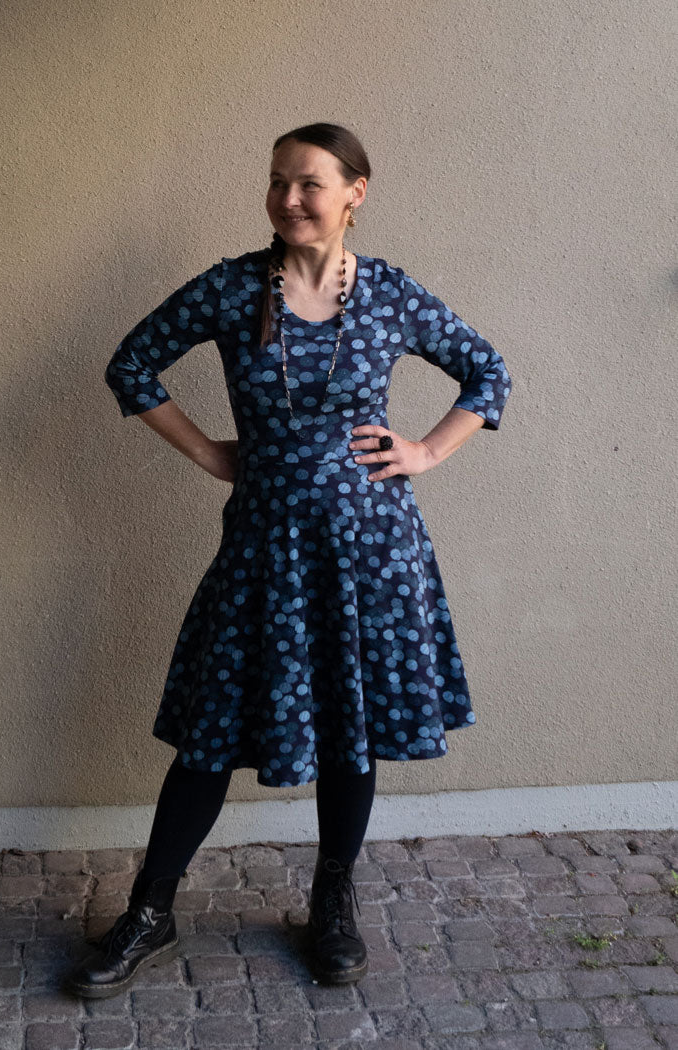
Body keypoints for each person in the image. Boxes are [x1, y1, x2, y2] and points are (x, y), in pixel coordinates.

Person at [65, 122, 512, 999]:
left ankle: (331, 900)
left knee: (351, 727)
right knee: (210, 735)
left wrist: (426, 449)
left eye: (309, 182)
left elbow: (487, 372)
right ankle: (151, 910)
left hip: (372, 553)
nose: (289, 199)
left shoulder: (389, 295)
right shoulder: (234, 289)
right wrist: (208, 451)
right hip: (262, 552)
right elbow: (132, 365)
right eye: (277, 181)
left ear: (355, 193)